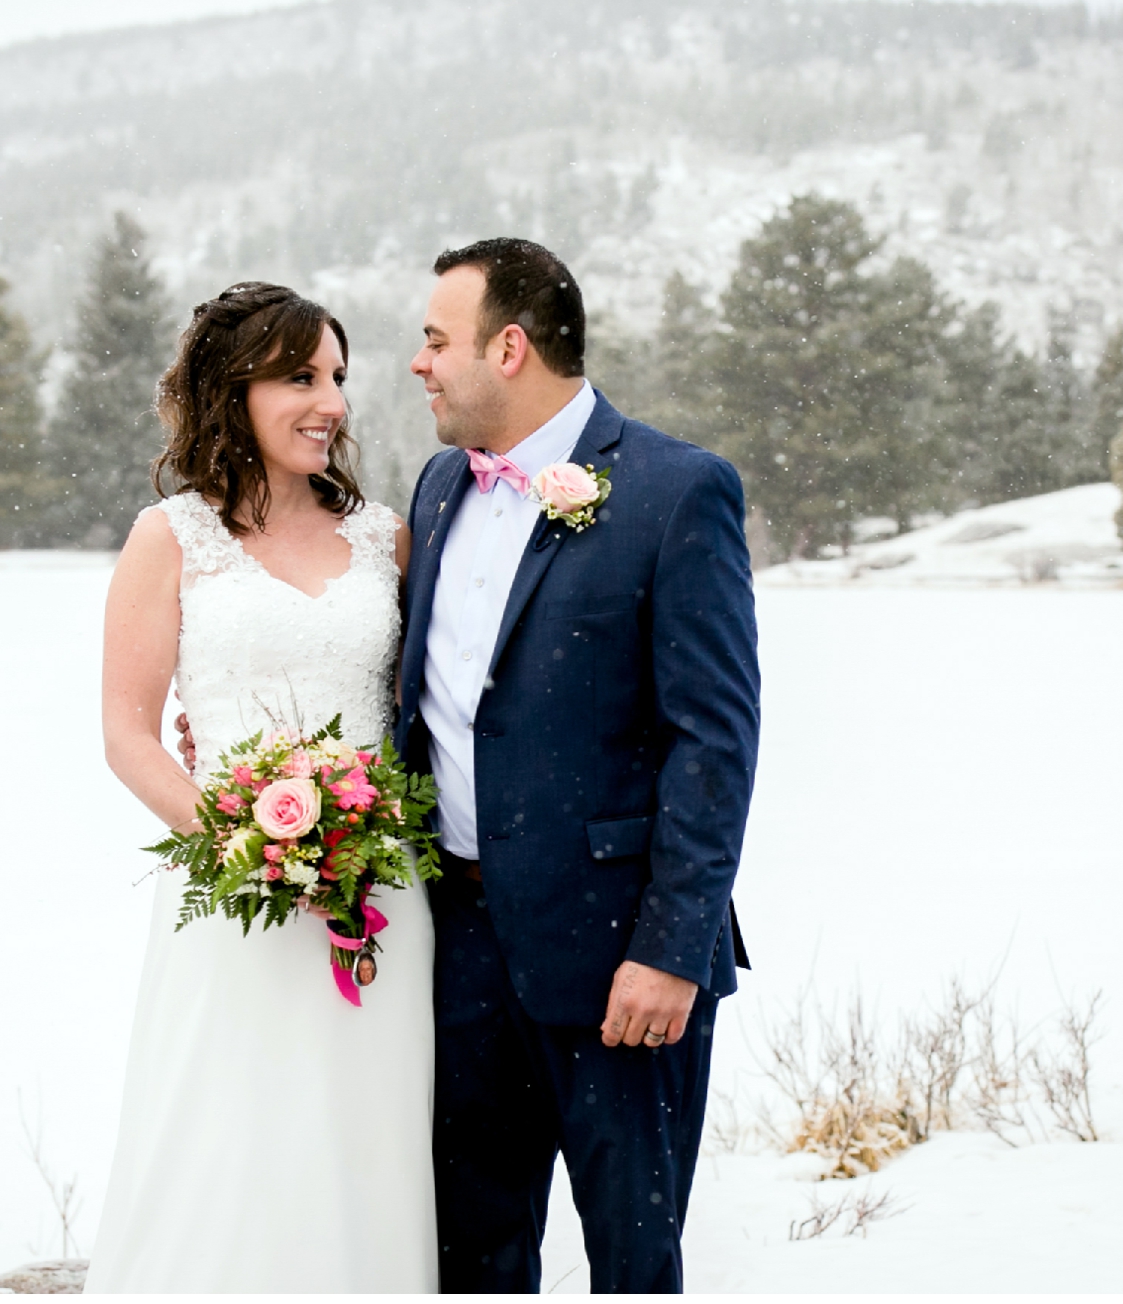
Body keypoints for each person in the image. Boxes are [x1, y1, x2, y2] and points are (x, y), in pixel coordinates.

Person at [399, 238, 759, 1293]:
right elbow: (420, 703)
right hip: (457, 946)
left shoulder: (674, 490)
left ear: (507, 348)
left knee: (632, 1264)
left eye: (434, 341)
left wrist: (672, 948)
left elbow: (715, 738)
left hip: (619, 961)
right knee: (470, 1254)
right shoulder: (433, 487)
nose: (419, 364)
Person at [89, 282, 436, 1292]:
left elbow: (433, 705)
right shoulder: (172, 539)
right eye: (298, 377)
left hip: (381, 890)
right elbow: (127, 733)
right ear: (229, 392)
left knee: (364, 1133)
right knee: (227, 1130)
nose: (328, 401)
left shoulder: (385, 539)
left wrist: (349, 842)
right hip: (230, 889)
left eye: (336, 376)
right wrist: (251, 847)